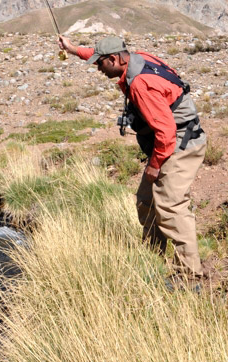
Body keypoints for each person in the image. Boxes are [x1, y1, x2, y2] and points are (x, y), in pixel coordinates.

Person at [58, 34, 207, 277]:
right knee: (145, 200)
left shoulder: (140, 83)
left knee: (171, 205)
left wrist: (155, 165)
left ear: (114, 59)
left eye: (101, 63)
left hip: (180, 143)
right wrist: (73, 49)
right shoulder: (137, 59)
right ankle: (153, 257)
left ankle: (190, 275)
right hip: (173, 139)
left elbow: (166, 132)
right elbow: (98, 56)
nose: (99, 69)